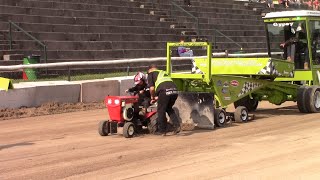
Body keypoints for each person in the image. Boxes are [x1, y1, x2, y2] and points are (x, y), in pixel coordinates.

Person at [147, 64, 180, 136]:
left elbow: (152, 88)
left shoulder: (151, 74)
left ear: (150, 70)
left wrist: (153, 97)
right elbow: (165, 87)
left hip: (164, 91)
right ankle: (177, 126)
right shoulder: (163, 72)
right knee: (169, 108)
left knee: (161, 110)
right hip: (174, 91)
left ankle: (162, 130)